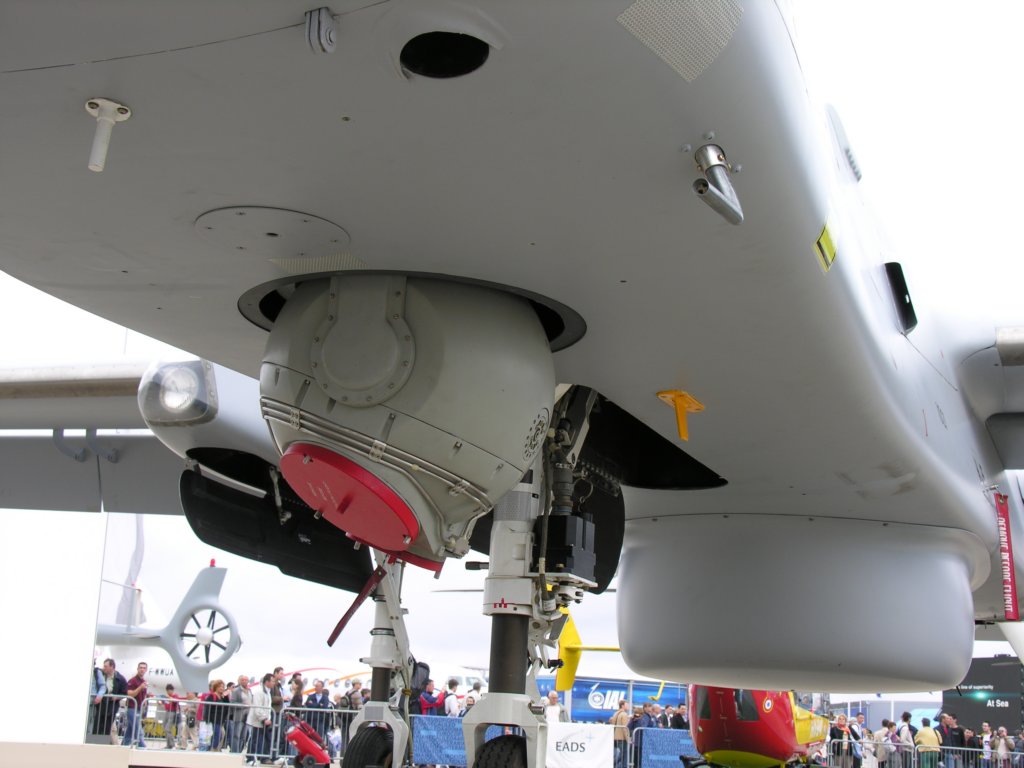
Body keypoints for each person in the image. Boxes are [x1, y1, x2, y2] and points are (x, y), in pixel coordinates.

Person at [96, 658, 127, 743]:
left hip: (111, 707)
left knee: (107, 726)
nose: (104, 668)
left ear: (112, 667)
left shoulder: (120, 679)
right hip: (100, 705)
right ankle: (97, 742)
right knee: (98, 725)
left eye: (106, 666)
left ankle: (104, 744)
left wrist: (117, 697)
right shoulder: (101, 675)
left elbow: (125, 693)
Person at [246, 673, 274, 766]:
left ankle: (262, 758)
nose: (274, 683)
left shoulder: (268, 692)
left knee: (263, 740)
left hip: (264, 721)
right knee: (254, 740)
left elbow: (267, 707)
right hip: (257, 721)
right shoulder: (259, 692)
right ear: (267, 682)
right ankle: (250, 759)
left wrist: (267, 718)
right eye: (272, 681)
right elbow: (257, 707)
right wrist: (264, 719)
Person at [122, 662, 150, 748]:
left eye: (144, 668)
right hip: (132, 708)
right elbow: (130, 694)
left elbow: (144, 695)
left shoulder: (144, 682)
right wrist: (140, 688)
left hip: (139, 709)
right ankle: (142, 747)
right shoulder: (133, 681)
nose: (142, 669)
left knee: (130, 730)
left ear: (146, 670)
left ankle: (124, 746)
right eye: (140, 667)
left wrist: (145, 704)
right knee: (138, 730)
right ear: (137, 669)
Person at [230, 675, 253, 753]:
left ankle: (239, 751)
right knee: (236, 735)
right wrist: (243, 705)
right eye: (242, 680)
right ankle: (234, 752)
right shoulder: (236, 691)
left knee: (244, 736)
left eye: (246, 680)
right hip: (239, 716)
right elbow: (232, 703)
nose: (244, 681)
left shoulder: (250, 691)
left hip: (248, 716)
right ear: (239, 681)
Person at [610, 699, 630, 768]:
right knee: (624, 756)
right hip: (622, 738)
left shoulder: (615, 713)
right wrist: (628, 739)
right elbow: (625, 728)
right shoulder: (624, 714)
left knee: (617, 755)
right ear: (622, 706)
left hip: (615, 737)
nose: (628, 706)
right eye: (627, 705)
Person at [160, 684, 182, 749]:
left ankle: (172, 744)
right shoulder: (166, 697)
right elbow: (164, 703)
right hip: (167, 712)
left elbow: (176, 701)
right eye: (167, 691)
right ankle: (168, 744)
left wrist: (170, 698)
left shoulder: (175, 695)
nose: (168, 692)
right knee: (164, 727)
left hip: (172, 712)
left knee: (167, 729)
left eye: (169, 690)